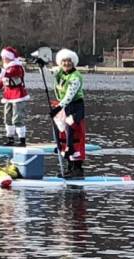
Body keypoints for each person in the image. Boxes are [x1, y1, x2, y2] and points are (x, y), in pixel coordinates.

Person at [49, 48, 87, 179]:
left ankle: (77, 169)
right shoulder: (61, 72)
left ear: (73, 62)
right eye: (64, 61)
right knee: (64, 136)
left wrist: (58, 108)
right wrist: (41, 64)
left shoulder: (75, 77)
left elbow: (69, 96)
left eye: (69, 61)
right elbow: (50, 71)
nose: (66, 64)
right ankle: (69, 167)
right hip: (63, 107)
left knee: (74, 136)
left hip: (75, 107)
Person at [0, 46, 30, 146]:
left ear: (9, 57)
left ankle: (22, 141)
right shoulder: (6, 69)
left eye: (4, 57)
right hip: (8, 96)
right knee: (8, 118)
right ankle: (10, 139)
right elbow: (1, 82)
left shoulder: (17, 67)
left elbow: (10, 74)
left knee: (17, 118)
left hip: (18, 95)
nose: (3, 59)